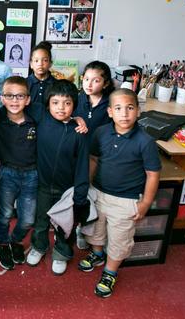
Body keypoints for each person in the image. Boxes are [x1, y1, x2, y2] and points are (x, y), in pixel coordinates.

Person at [78, 89, 161, 298]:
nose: (124, 114)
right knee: (94, 230)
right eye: (118, 108)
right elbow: (94, 159)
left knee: (119, 239)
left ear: (138, 111)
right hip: (97, 192)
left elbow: (152, 174)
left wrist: (146, 203)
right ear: (109, 112)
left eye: (130, 108)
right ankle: (97, 254)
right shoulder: (101, 133)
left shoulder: (145, 141)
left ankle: (110, 271)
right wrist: (86, 186)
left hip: (126, 200)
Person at [25, 80, 90, 276]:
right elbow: (21, 101)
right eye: (55, 102)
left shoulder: (79, 133)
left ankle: (61, 253)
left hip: (67, 190)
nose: (61, 108)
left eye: (67, 103)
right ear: (47, 104)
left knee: (65, 225)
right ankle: (39, 246)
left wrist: (80, 193)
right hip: (43, 186)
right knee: (41, 221)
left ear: (74, 105)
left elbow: (82, 166)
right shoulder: (41, 117)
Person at [0, 76, 37, 270]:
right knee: (5, 214)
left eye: (20, 96)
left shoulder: (35, 119)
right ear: (2, 98)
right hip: (7, 172)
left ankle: (15, 240)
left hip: (32, 174)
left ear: (28, 99)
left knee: (28, 218)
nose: (14, 100)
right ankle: (2, 244)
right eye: (9, 96)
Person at [73, 60, 114, 249]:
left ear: (105, 84)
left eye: (95, 80)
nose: (89, 84)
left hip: (98, 158)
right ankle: (73, 224)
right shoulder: (78, 98)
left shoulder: (110, 104)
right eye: (86, 79)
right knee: (76, 191)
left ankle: (85, 227)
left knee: (91, 194)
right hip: (77, 154)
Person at [27, 41, 55, 106]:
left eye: (45, 60)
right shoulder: (24, 84)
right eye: (36, 61)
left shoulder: (57, 85)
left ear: (50, 63)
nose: (40, 64)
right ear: (31, 64)